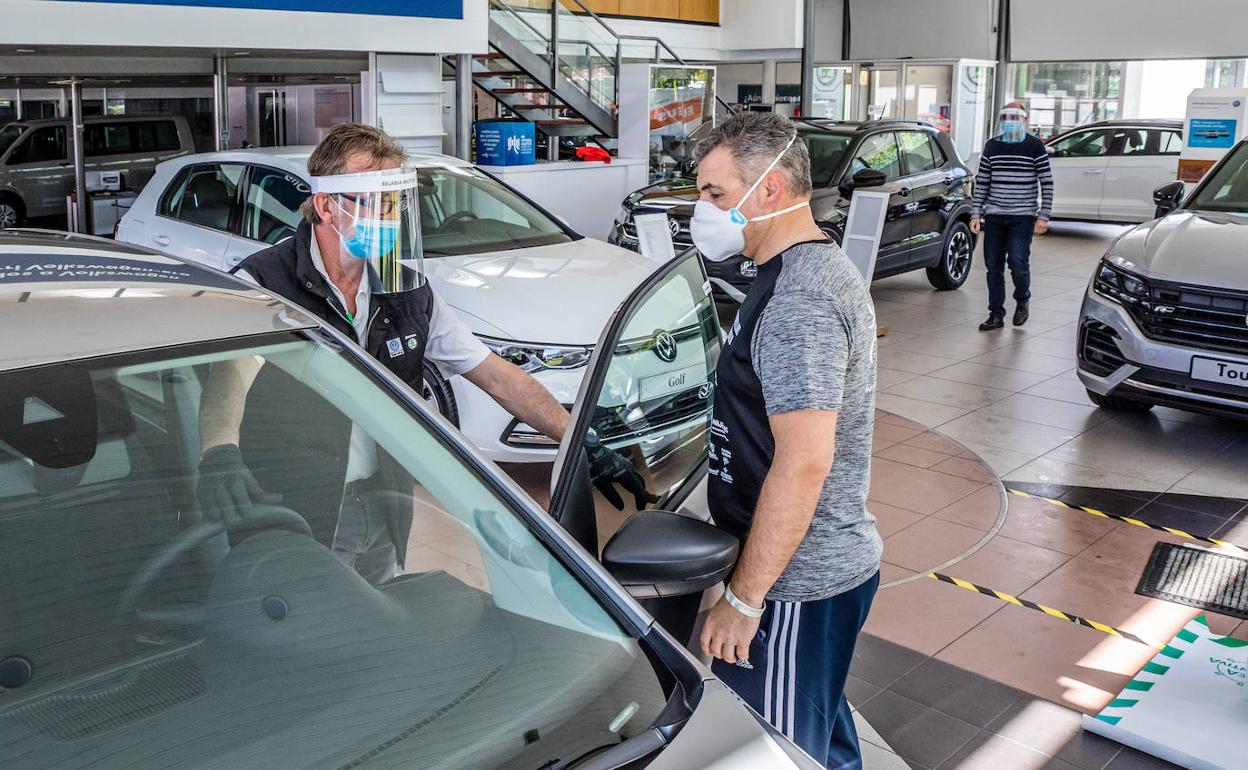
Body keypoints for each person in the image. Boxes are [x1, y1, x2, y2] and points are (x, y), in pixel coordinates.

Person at [195, 123, 647, 581]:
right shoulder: (266, 283)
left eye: (394, 204)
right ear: (326, 206)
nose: (387, 218)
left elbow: (497, 376)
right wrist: (219, 451)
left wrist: (581, 439)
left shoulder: (405, 288)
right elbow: (230, 376)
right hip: (296, 505)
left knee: (382, 610)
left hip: (384, 498)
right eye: (374, 203)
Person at [691, 111, 881, 769]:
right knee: (819, 735)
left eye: (715, 194)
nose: (703, 209)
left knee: (778, 750)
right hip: (799, 570)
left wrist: (745, 600)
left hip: (795, 584)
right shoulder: (792, 271)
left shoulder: (799, 297)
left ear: (768, 189)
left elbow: (803, 464)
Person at [970, 102, 1055, 331]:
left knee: (1017, 261)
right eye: (1006, 117)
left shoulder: (1034, 146)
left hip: (1022, 216)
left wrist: (1043, 216)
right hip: (995, 215)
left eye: (1015, 117)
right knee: (993, 266)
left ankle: (1022, 298)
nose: (1010, 121)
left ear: (1025, 120)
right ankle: (996, 314)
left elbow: (1046, 182)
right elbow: (983, 182)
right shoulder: (992, 147)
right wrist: (975, 213)